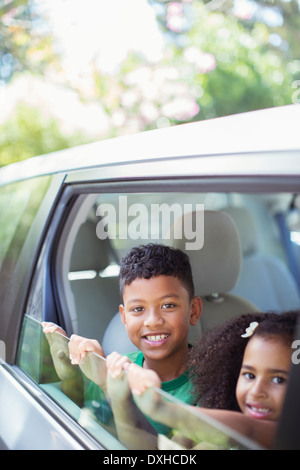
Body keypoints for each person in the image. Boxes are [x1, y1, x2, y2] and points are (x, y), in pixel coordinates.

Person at [43, 243, 202, 434]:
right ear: (124, 317)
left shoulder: (209, 383)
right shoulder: (112, 372)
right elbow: (91, 429)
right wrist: (71, 378)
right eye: (138, 309)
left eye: (168, 305)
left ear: (193, 311)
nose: (153, 321)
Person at [106, 310, 299, 449]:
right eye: (249, 375)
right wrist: (119, 398)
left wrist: (160, 407)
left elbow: (249, 430)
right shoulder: (214, 433)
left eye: (278, 380)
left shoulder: (287, 434)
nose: (256, 391)